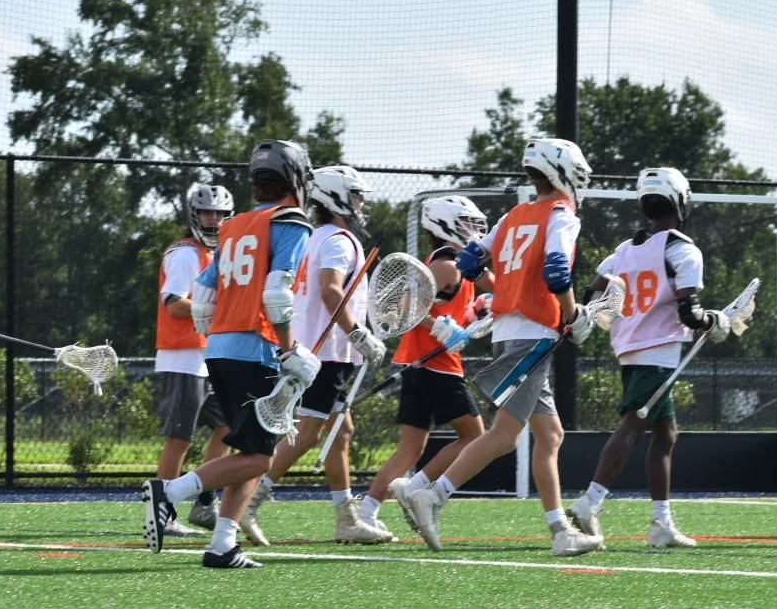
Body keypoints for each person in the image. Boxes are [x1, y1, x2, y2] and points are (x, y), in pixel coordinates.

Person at [399, 138, 603, 557]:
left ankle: (560, 529)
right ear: (564, 174)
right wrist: (572, 314)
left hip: (510, 331)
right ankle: (432, 495)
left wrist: (506, 291)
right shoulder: (561, 215)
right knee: (505, 435)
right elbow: (556, 270)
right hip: (533, 334)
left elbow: (470, 260)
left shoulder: (513, 215)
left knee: (551, 434)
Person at [139, 140, 318, 569]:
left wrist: (221, 335)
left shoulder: (235, 225)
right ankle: (169, 492)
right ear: (296, 178)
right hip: (255, 348)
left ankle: (223, 544)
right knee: (259, 457)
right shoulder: (290, 221)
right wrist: (289, 349)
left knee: (253, 453)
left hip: (220, 348)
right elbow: (277, 293)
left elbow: (203, 295)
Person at [566, 167, 747, 548]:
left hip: (627, 346)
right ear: (681, 203)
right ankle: (591, 501)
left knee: (666, 434)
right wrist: (716, 321)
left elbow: (591, 294)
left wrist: (599, 314)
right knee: (633, 427)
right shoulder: (683, 250)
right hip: (658, 350)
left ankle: (662, 523)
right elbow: (689, 314)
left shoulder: (624, 250)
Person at [244, 165, 389, 545]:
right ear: (337, 197)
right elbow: (330, 289)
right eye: (355, 196)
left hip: (310, 347)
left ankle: (346, 518)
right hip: (327, 352)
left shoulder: (311, 236)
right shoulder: (340, 240)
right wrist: (357, 333)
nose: (360, 204)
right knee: (309, 432)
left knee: (341, 431)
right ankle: (250, 500)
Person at [364, 196, 493, 538]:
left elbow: (466, 305)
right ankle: (415, 488)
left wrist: (475, 312)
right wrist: (440, 328)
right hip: (436, 365)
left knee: (411, 448)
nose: (475, 231)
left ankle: (367, 512)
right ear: (446, 225)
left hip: (421, 364)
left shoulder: (462, 267)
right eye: (467, 224)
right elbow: (408, 305)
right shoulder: (447, 264)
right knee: (474, 436)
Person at [153, 182, 233, 535]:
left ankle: (204, 501)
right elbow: (174, 303)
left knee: (228, 427)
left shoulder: (217, 254)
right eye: (206, 212)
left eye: (219, 213)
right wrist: (221, 313)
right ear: (194, 215)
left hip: (208, 356)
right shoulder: (185, 253)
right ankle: (162, 513)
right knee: (180, 438)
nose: (213, 219)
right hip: (183, 357)